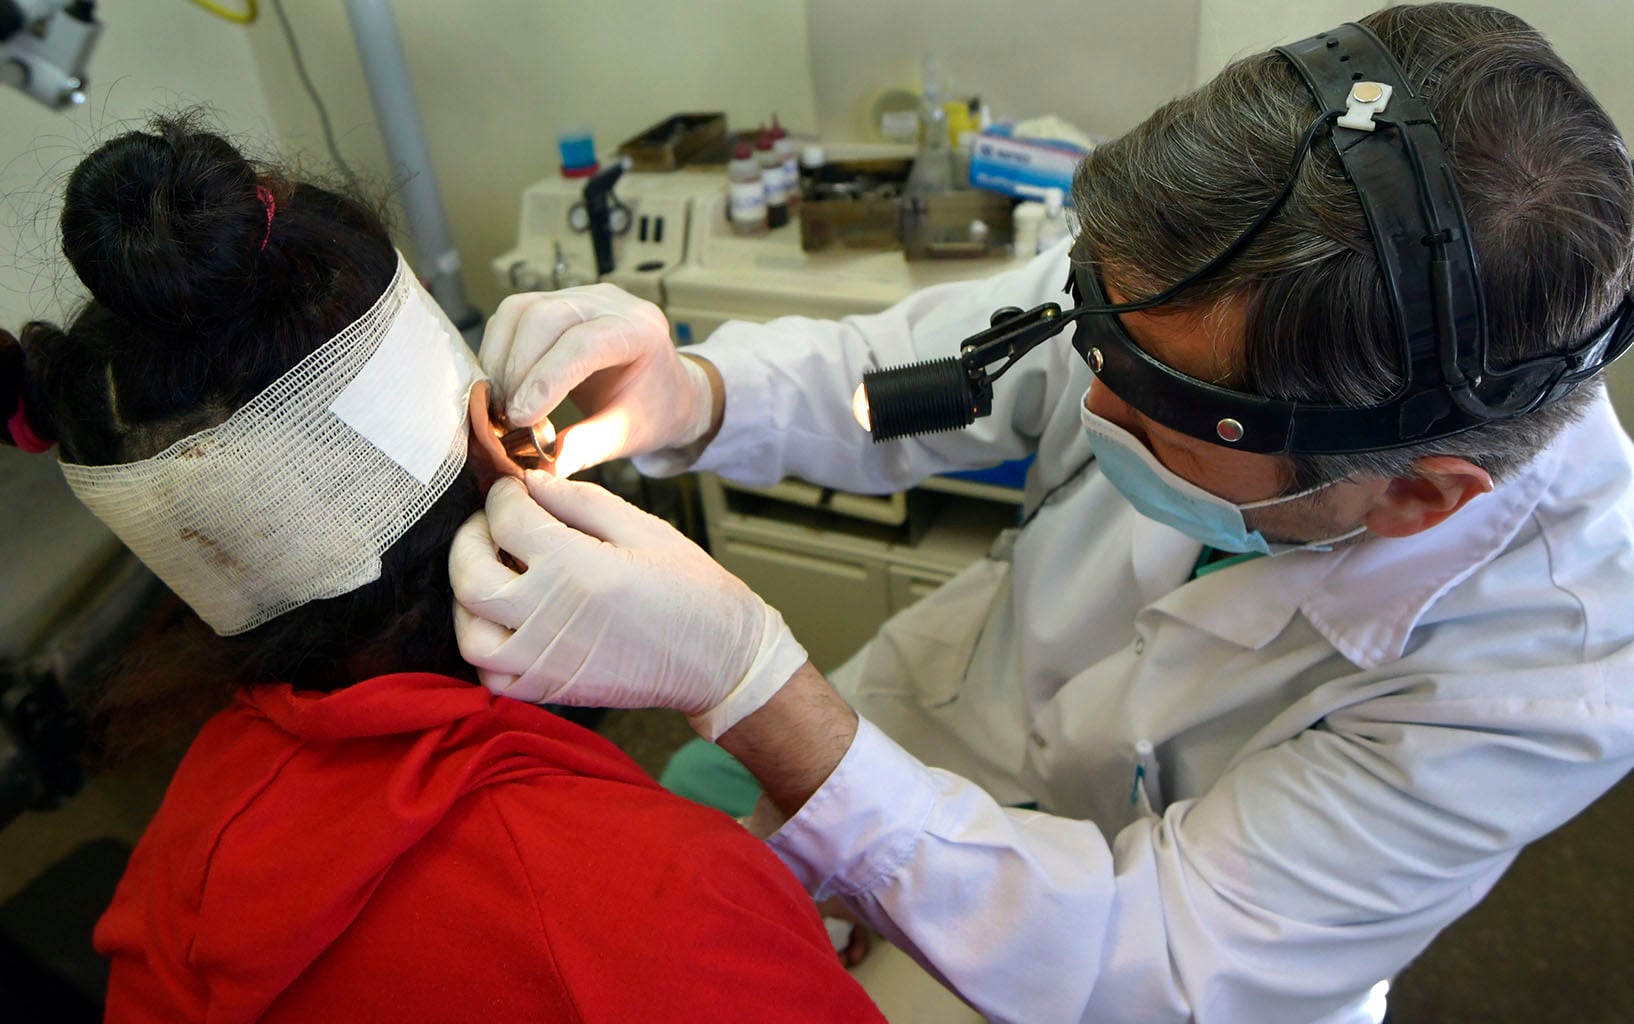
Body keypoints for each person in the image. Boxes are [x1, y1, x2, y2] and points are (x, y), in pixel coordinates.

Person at [449, 5, 1634, 1023]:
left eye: (1157, 417)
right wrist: (694, 393)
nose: (1086, 394)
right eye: (1094, 340)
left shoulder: (1552, 670)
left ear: (1416, 494)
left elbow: (1153, 952)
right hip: (955, 712)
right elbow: (915, 369)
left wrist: (757, 690)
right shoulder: (1193, 287)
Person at [1, 115, 883, 1023]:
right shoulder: (670, 909)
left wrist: (702, 394)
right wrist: (760, 688)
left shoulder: (181, 856)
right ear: (504, 444)